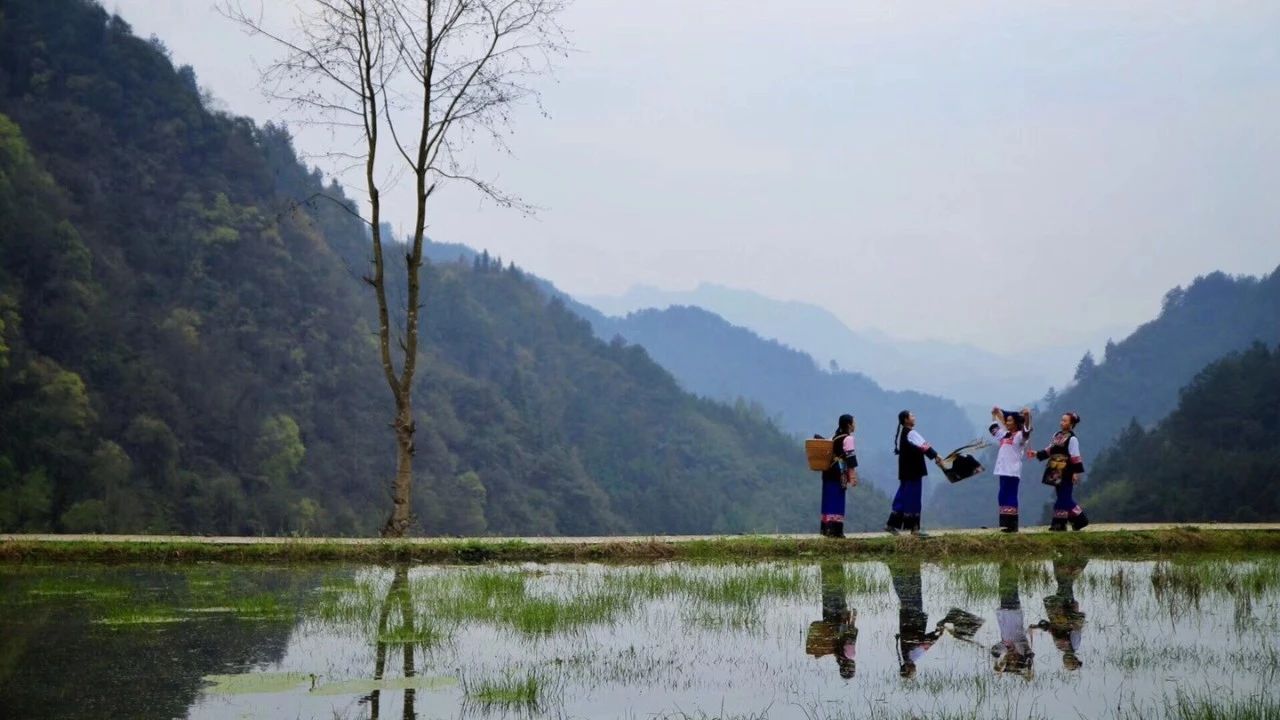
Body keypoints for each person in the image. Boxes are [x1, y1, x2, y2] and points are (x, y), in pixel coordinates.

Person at [1029, 412, 1090, 531]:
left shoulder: (1072, 439)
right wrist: (1037, 453)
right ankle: (1079, 521)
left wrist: (1075, 472)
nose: (1062, 423)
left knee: (1063, 498)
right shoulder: (1056, 435)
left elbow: (1075, 456)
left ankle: (1060, 524)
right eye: (1061, 420)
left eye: (1065, 421)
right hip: (1055, 469)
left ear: (1071, 424)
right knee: (1063, 497)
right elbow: (1050, 450)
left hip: (1067, 469)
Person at [887, 410, 943, 536]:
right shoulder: (911, 433)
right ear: (906, 420)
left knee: (903, 496)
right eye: (912, 416)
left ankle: (891, 524)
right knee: (913, 498)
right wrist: (936, 456)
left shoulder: (904, 433)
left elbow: (922, 446)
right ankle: (914, 528)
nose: (914, 417)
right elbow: (924, 446)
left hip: (906, 472)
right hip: (913, 472)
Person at [806, 562, 859, 678]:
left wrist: (853, 618)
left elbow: (851, 634)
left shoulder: (849, 654)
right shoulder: (837, 655)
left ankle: (834, 564)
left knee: (837, 590)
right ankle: (827, 565)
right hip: (828, 618)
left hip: (839, 616)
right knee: (828, 591)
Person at [1034, 558, 1088, 670]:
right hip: (1056, 607)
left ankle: (1079, 558)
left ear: (1073, 659)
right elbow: (1052, 628)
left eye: (1076, 660)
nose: (1077, 659)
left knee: (1065, 581)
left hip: (1067, 606)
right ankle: (1063, 558)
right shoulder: (1058, 646)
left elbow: (1076, 627)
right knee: (1064, 582)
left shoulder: (1075, 645)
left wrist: (1075, 609)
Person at [989, 406, 1032, 533]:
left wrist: (1028, 417)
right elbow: (994, 429)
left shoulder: (1019, 436)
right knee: (1002, 496)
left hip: (1012, 471)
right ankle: (1006, 524)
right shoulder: (1005, 434)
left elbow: (1026, 431)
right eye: (1006, 421)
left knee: (1010, 496)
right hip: (1002, 470)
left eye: (1010, 421)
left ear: (1016, 423)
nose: (1007, 423)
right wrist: (994, 414)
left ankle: (1013, 524)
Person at [819, 414, 858, 538]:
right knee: (837, 500)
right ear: (849, 424)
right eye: (854, 422)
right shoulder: (848, 439)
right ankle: (836, 531)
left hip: (828, 472)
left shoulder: (834, 437)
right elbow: (850, 458)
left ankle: (827, 529)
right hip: (838, 473)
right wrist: (852, 477)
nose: (855, 425)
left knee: (828, 499)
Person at [991, 562, 1034, 676]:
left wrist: (996, 657)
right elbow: (1028, 653)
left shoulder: (1004, 648)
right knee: (1010, 587)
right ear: (1020, 658)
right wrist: (1028, 663)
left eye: (1010, 661)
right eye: (1015, 660)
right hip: (1013, 611)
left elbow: (995, 649)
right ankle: (1012, 565)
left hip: (1004, 611)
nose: (1012, 658)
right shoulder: (1022, 646)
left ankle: (1006, 565)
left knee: (1003, 587)